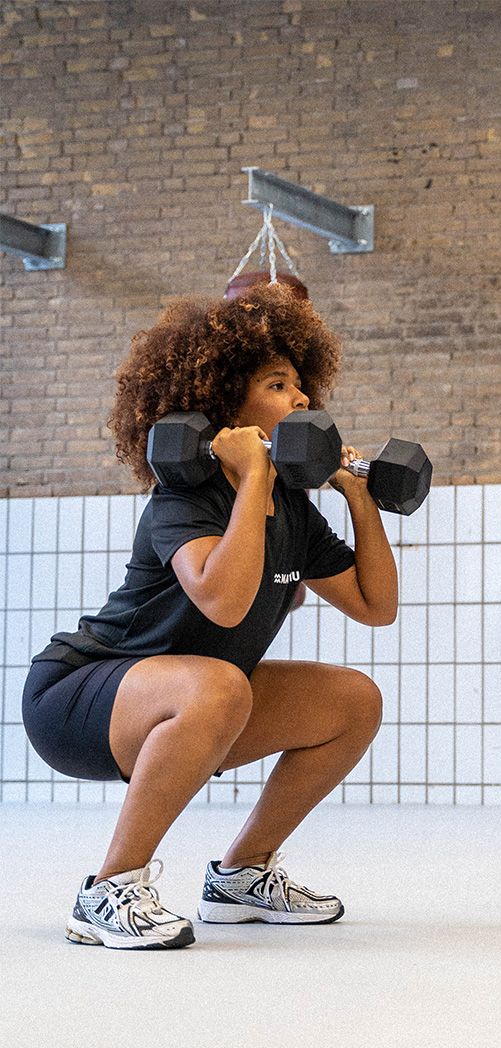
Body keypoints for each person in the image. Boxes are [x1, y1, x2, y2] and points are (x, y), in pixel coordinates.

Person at [23, 283, 394, 949]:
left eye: (301, 385)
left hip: (189, 698)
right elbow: (222, 599)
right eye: (278, 384)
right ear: (228, 403)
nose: (303, 399)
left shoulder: (294, 512)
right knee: (221, 683)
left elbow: (376, 606)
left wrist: (357, 495)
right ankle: (107, 891)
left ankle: (241, 876)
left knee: (353, 700)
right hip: (77, 695)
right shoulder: (184, 497)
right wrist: (252, 476)